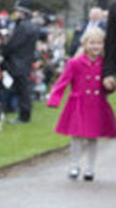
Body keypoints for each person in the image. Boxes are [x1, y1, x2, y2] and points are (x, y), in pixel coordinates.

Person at [47, 27, 116, 181]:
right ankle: (74, 165)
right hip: (78, 104)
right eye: (92, 43)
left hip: (97, 104)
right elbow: (62, 82)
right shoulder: (74, 63)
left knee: (93, 137)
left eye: (99, 43)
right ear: (85, 44)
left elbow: (107, 87)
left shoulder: (105, 65)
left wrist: (110, 86)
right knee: (76, 137)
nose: (96, 46)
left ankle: (90, 169)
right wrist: (54, 99)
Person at [1, 0, 39, 122]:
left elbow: (13, 45)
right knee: (23, 89)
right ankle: (24, 114)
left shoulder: (22, 26)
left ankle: (24, 116)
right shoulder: (31, 26)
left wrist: (3, 48)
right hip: (25, 61)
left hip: (18, 62)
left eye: (17, 11)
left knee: (22, 90)